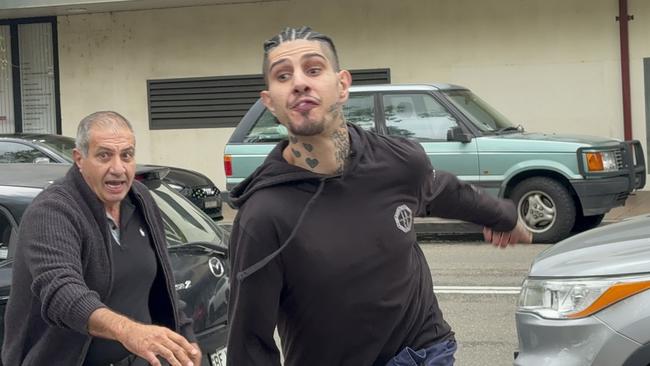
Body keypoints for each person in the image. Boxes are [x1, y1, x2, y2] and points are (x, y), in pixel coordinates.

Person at [227, 26, 532, 366]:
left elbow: (443, 190)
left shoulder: (398, 161)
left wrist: (504, 217)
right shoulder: (263, 217)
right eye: (283, 75)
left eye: (313, 69)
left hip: (424, 352)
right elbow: (249, 342)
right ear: (269, 102)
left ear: (342, 85)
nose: (299, 82)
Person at [2, 111, 201, 366]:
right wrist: (129, 331)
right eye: (104, 155)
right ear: (79, 159)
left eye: (126, 155)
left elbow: (161, 283)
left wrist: (185, 338)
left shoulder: (140, 199)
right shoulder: (52, 211)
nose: (118, 168)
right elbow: (62, 291)